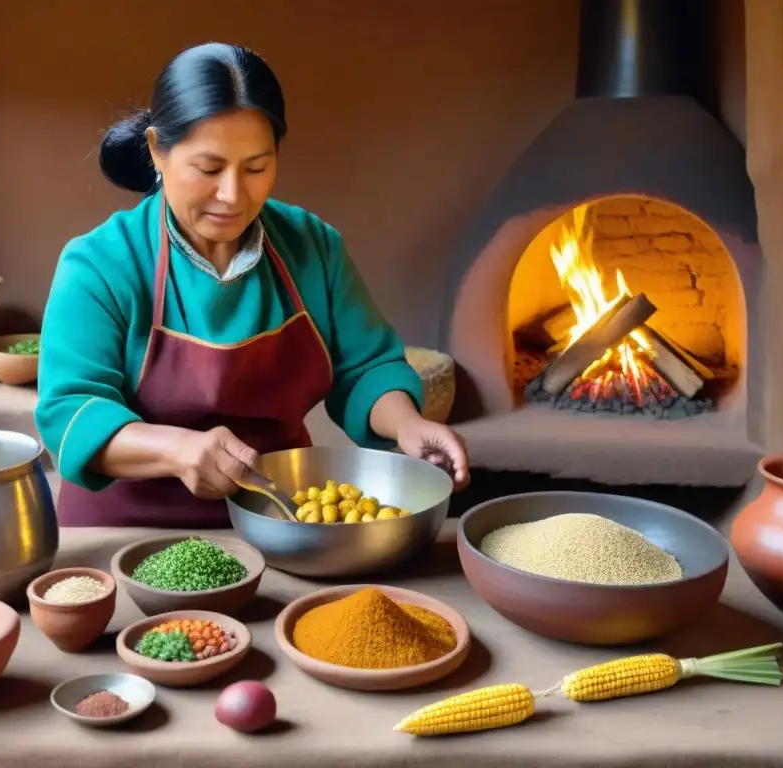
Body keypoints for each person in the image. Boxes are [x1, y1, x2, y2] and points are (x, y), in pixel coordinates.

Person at [35, 42, 469, 528]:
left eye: (257, 168)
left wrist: (408, 425)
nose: (233, 195)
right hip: (123, 536)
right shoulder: (99, 264)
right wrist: (178, 450)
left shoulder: (313, 248)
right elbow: (69, 409)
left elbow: (366, 366)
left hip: (279, 518)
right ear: (158, 150)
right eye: (210, 168)